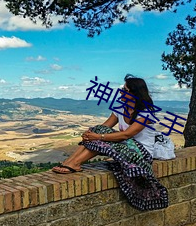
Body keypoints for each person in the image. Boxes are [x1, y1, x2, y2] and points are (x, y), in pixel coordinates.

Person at [52, 74, 168, 210]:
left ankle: (75, 163)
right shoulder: (120, 108)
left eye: (125, 90)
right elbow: (105, 127)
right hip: (125, 146)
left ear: (134, 94)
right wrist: (90, 134)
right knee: (98, 130)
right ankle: (70, 162)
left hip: (141, 153)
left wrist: (98, 136)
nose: (121, 92)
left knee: (100, 136)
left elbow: (127, 134)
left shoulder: (145, 113)